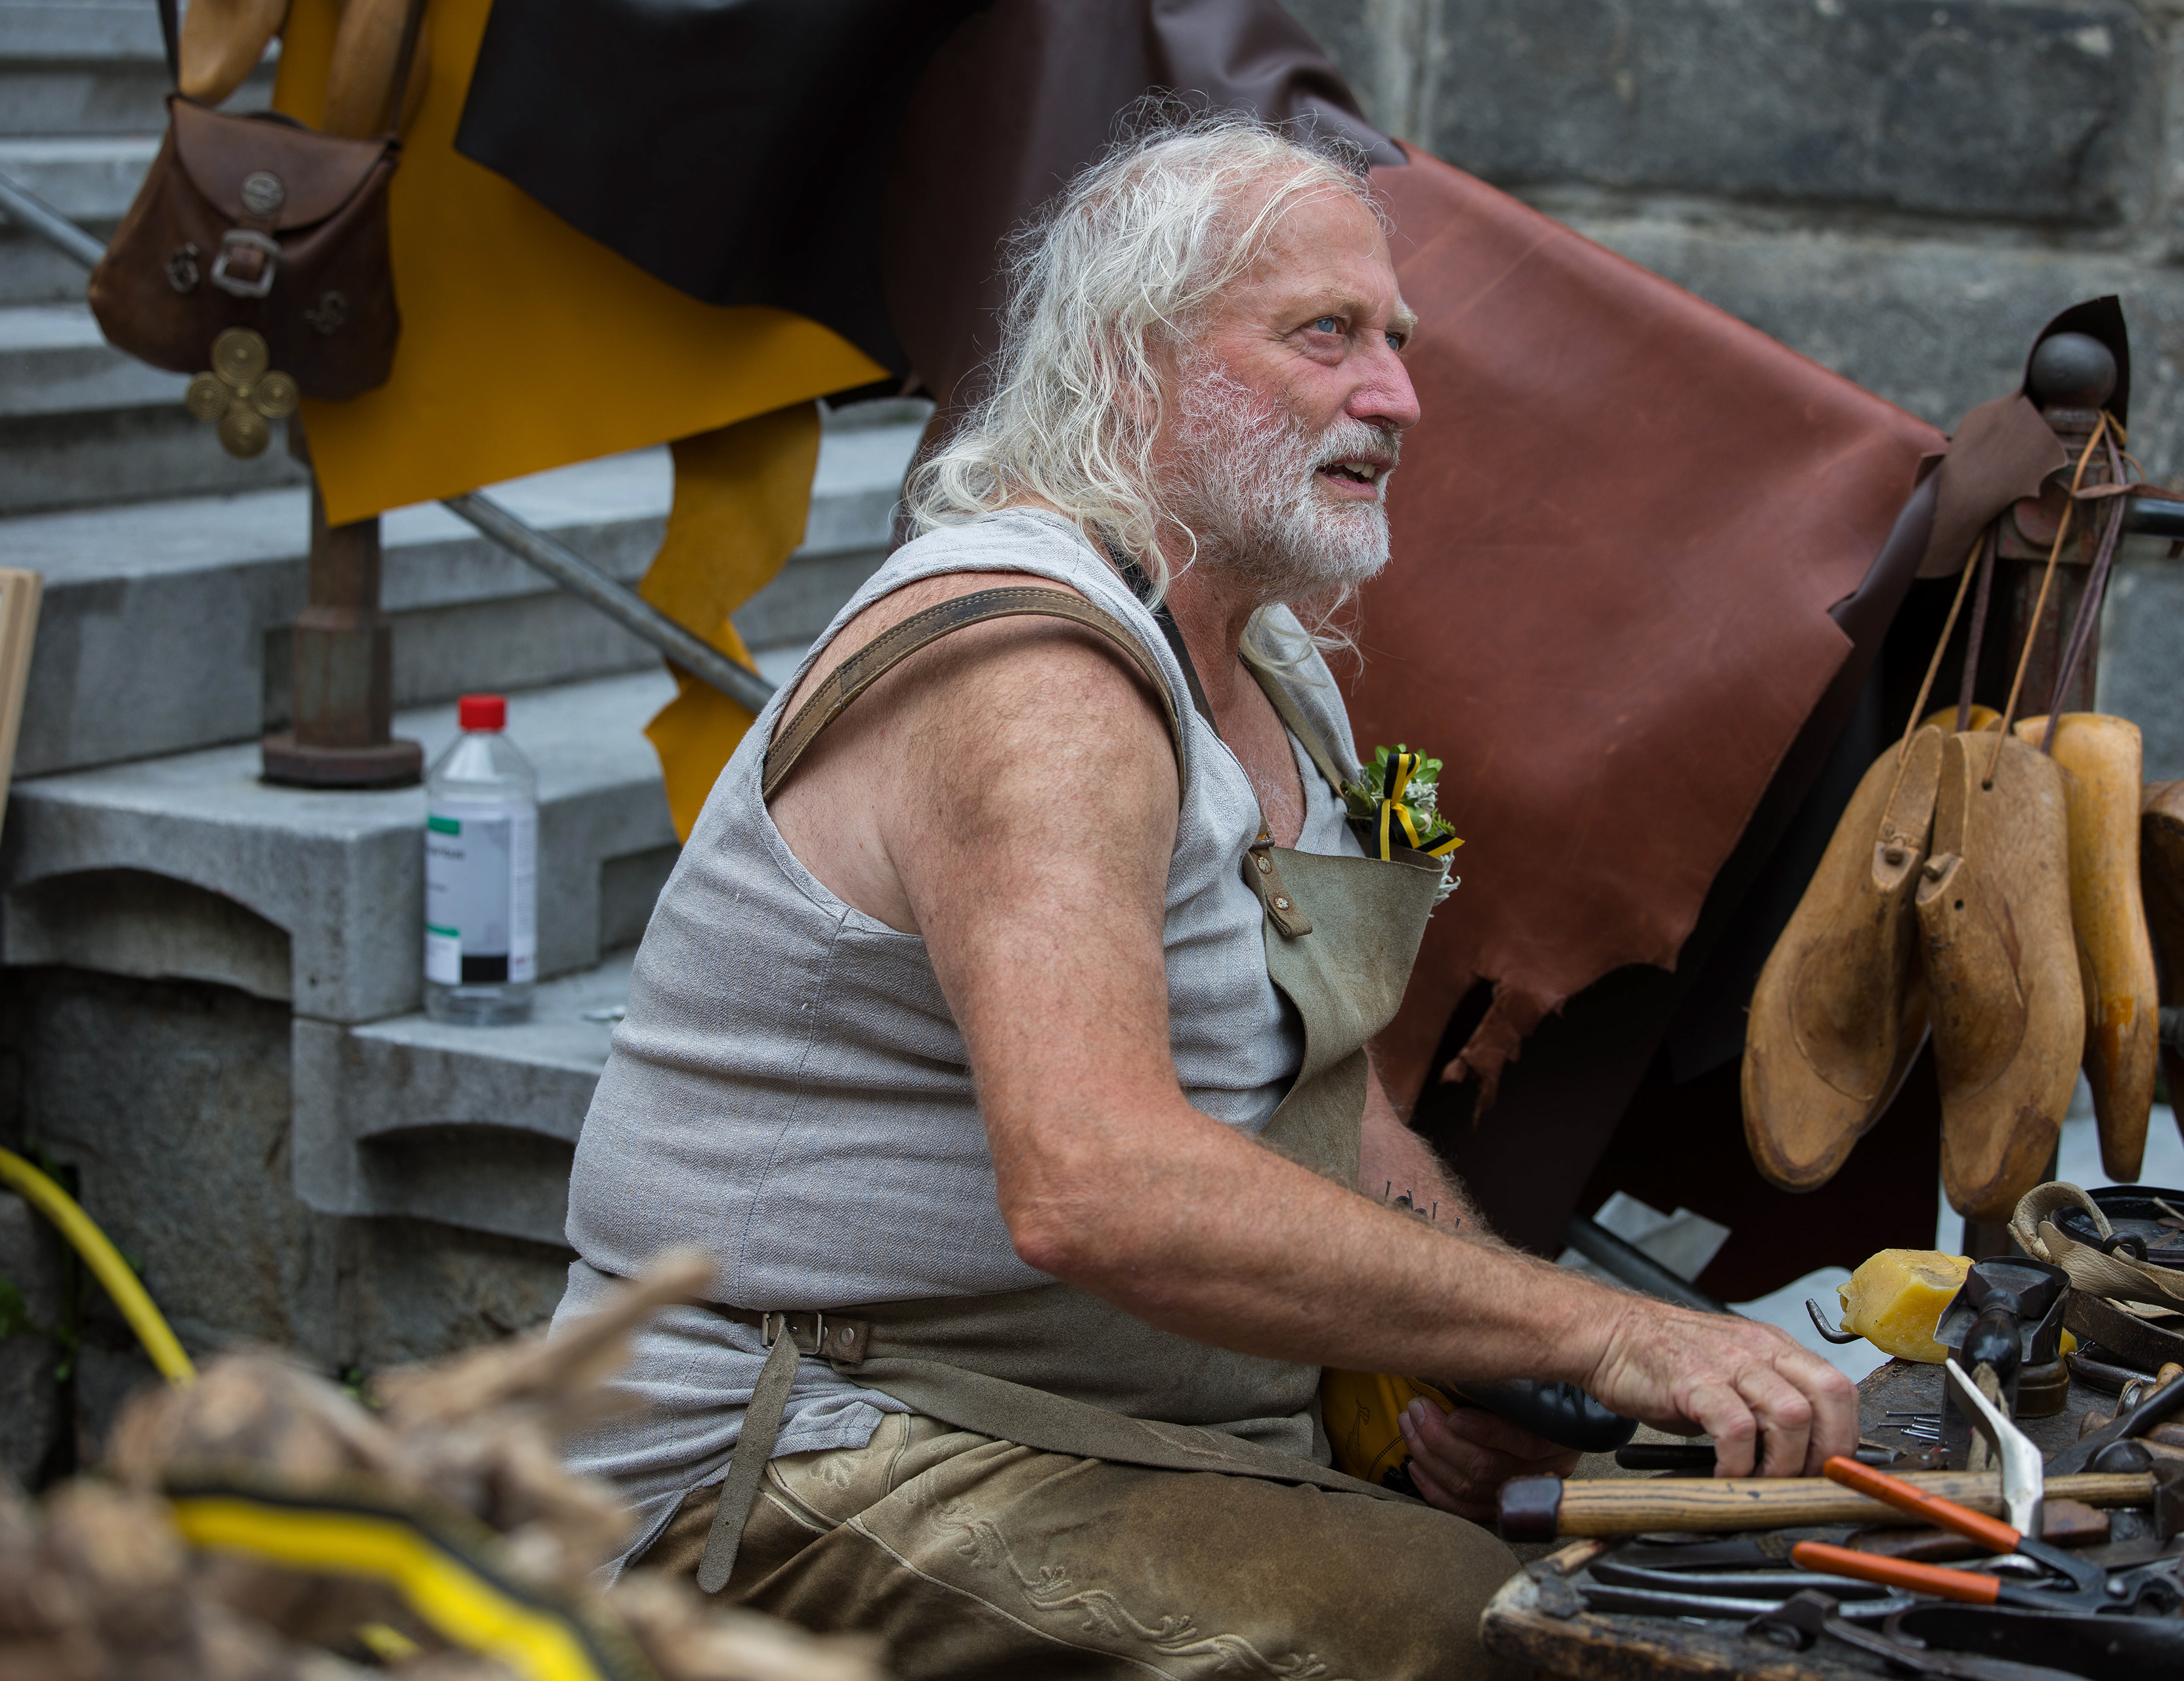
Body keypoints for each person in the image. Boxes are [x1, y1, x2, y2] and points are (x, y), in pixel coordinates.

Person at [554, 112, 1856, 1679]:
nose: (1398, 395)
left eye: (1396, 341)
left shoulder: (1273, 665)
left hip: (1100, 1435)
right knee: (1474, 1636)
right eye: (1326, 337)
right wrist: (1615, 1330)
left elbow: (1331, 1097)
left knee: (1638, 1573)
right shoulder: (1033, 673)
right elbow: (1093, 1181)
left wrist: (1489, 1356)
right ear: (1126, 359)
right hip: (802, 1458)